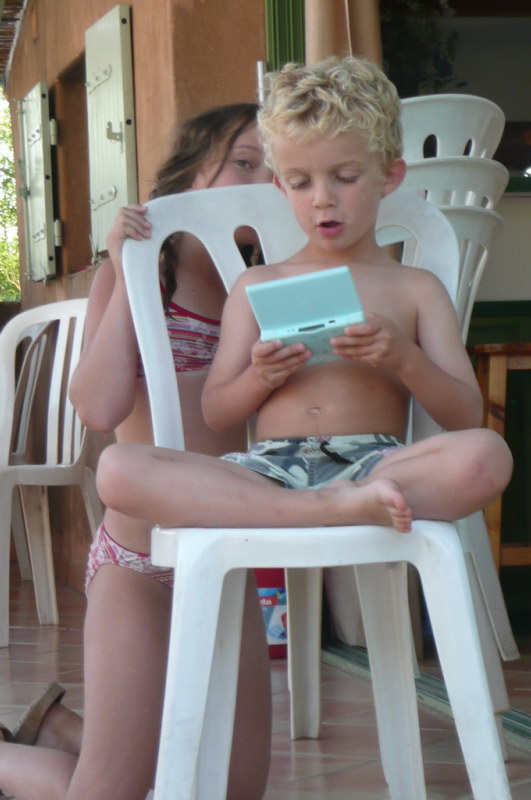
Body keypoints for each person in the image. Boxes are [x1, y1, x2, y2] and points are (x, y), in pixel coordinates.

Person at [96, 56, 512, 575]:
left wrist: (404, 359)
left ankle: (333, 503)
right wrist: (260, 376)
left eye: (345, 177)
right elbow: (218, 412)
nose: (323, 200)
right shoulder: (257, 285)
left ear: (389, 176)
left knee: (486, 454)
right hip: (267, 469)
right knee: (118, 468)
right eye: (299, 182)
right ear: (280, 188)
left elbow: (465, 414)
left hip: (378, 467)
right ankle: (321, 510)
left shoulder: (415, 288)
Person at [0, 104, 273, 800]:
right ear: (187, 176)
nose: (263, 181)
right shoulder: (141, 275)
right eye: (244, 162)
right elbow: (97, 408)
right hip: (137, 564)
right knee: (113, 788)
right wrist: (127, 273)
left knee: (235, 788)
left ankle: (61, 730)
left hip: (225, 559)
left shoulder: (270, 282)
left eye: (277, 170)